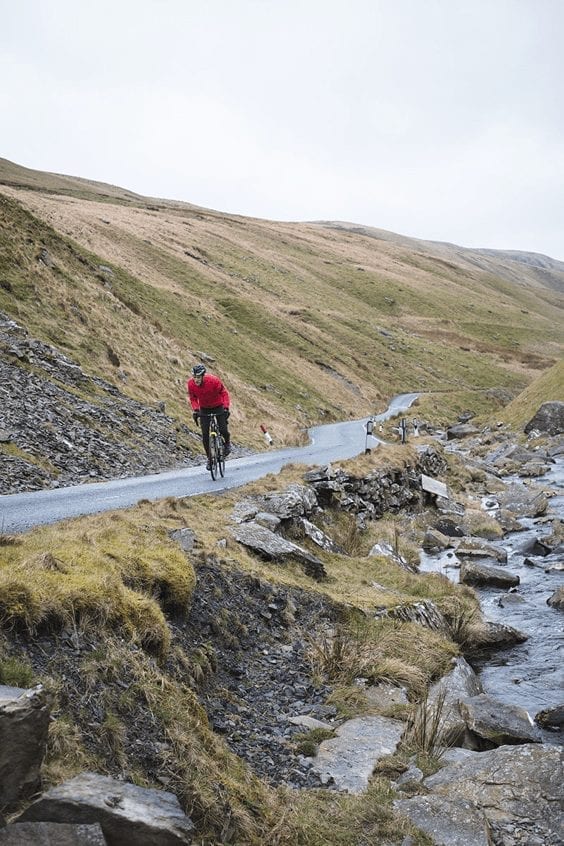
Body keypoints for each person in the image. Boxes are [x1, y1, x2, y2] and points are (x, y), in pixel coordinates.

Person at [187, 364, 231, 469]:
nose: (196, 380)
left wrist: (225, 407)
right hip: (204, 408)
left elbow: (224, 393)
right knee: (205, 434)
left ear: (203, 376)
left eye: (198, 377)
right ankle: (210, 459)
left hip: (218, 406)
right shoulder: (191, 384)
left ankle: (227, 444)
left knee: (223, 429)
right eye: (194, 377)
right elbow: (193, 398)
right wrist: (196, 410)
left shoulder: (213, 381)